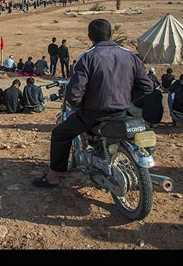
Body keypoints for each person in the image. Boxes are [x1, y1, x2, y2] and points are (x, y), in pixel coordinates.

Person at [33, 19, 153, 188]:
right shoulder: (130, 56)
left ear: (90, 37)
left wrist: (83, 104)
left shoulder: (88, 57)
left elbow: (74, 93)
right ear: (111, 34)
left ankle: (53, 176)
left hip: (94, 113)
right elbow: (147, 87)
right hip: (122, 112)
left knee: (60, 134)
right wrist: (126, 98)